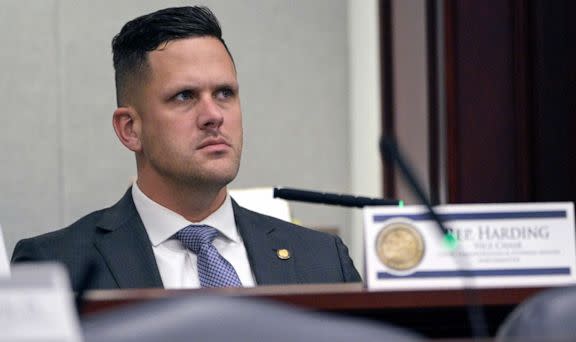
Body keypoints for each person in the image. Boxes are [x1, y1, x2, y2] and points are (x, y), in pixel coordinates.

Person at [11, 6, 361, 290]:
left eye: (225, 93)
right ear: (130, 129)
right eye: (184, 96)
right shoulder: (55, 266)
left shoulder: (322, 260)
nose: (213, 116)